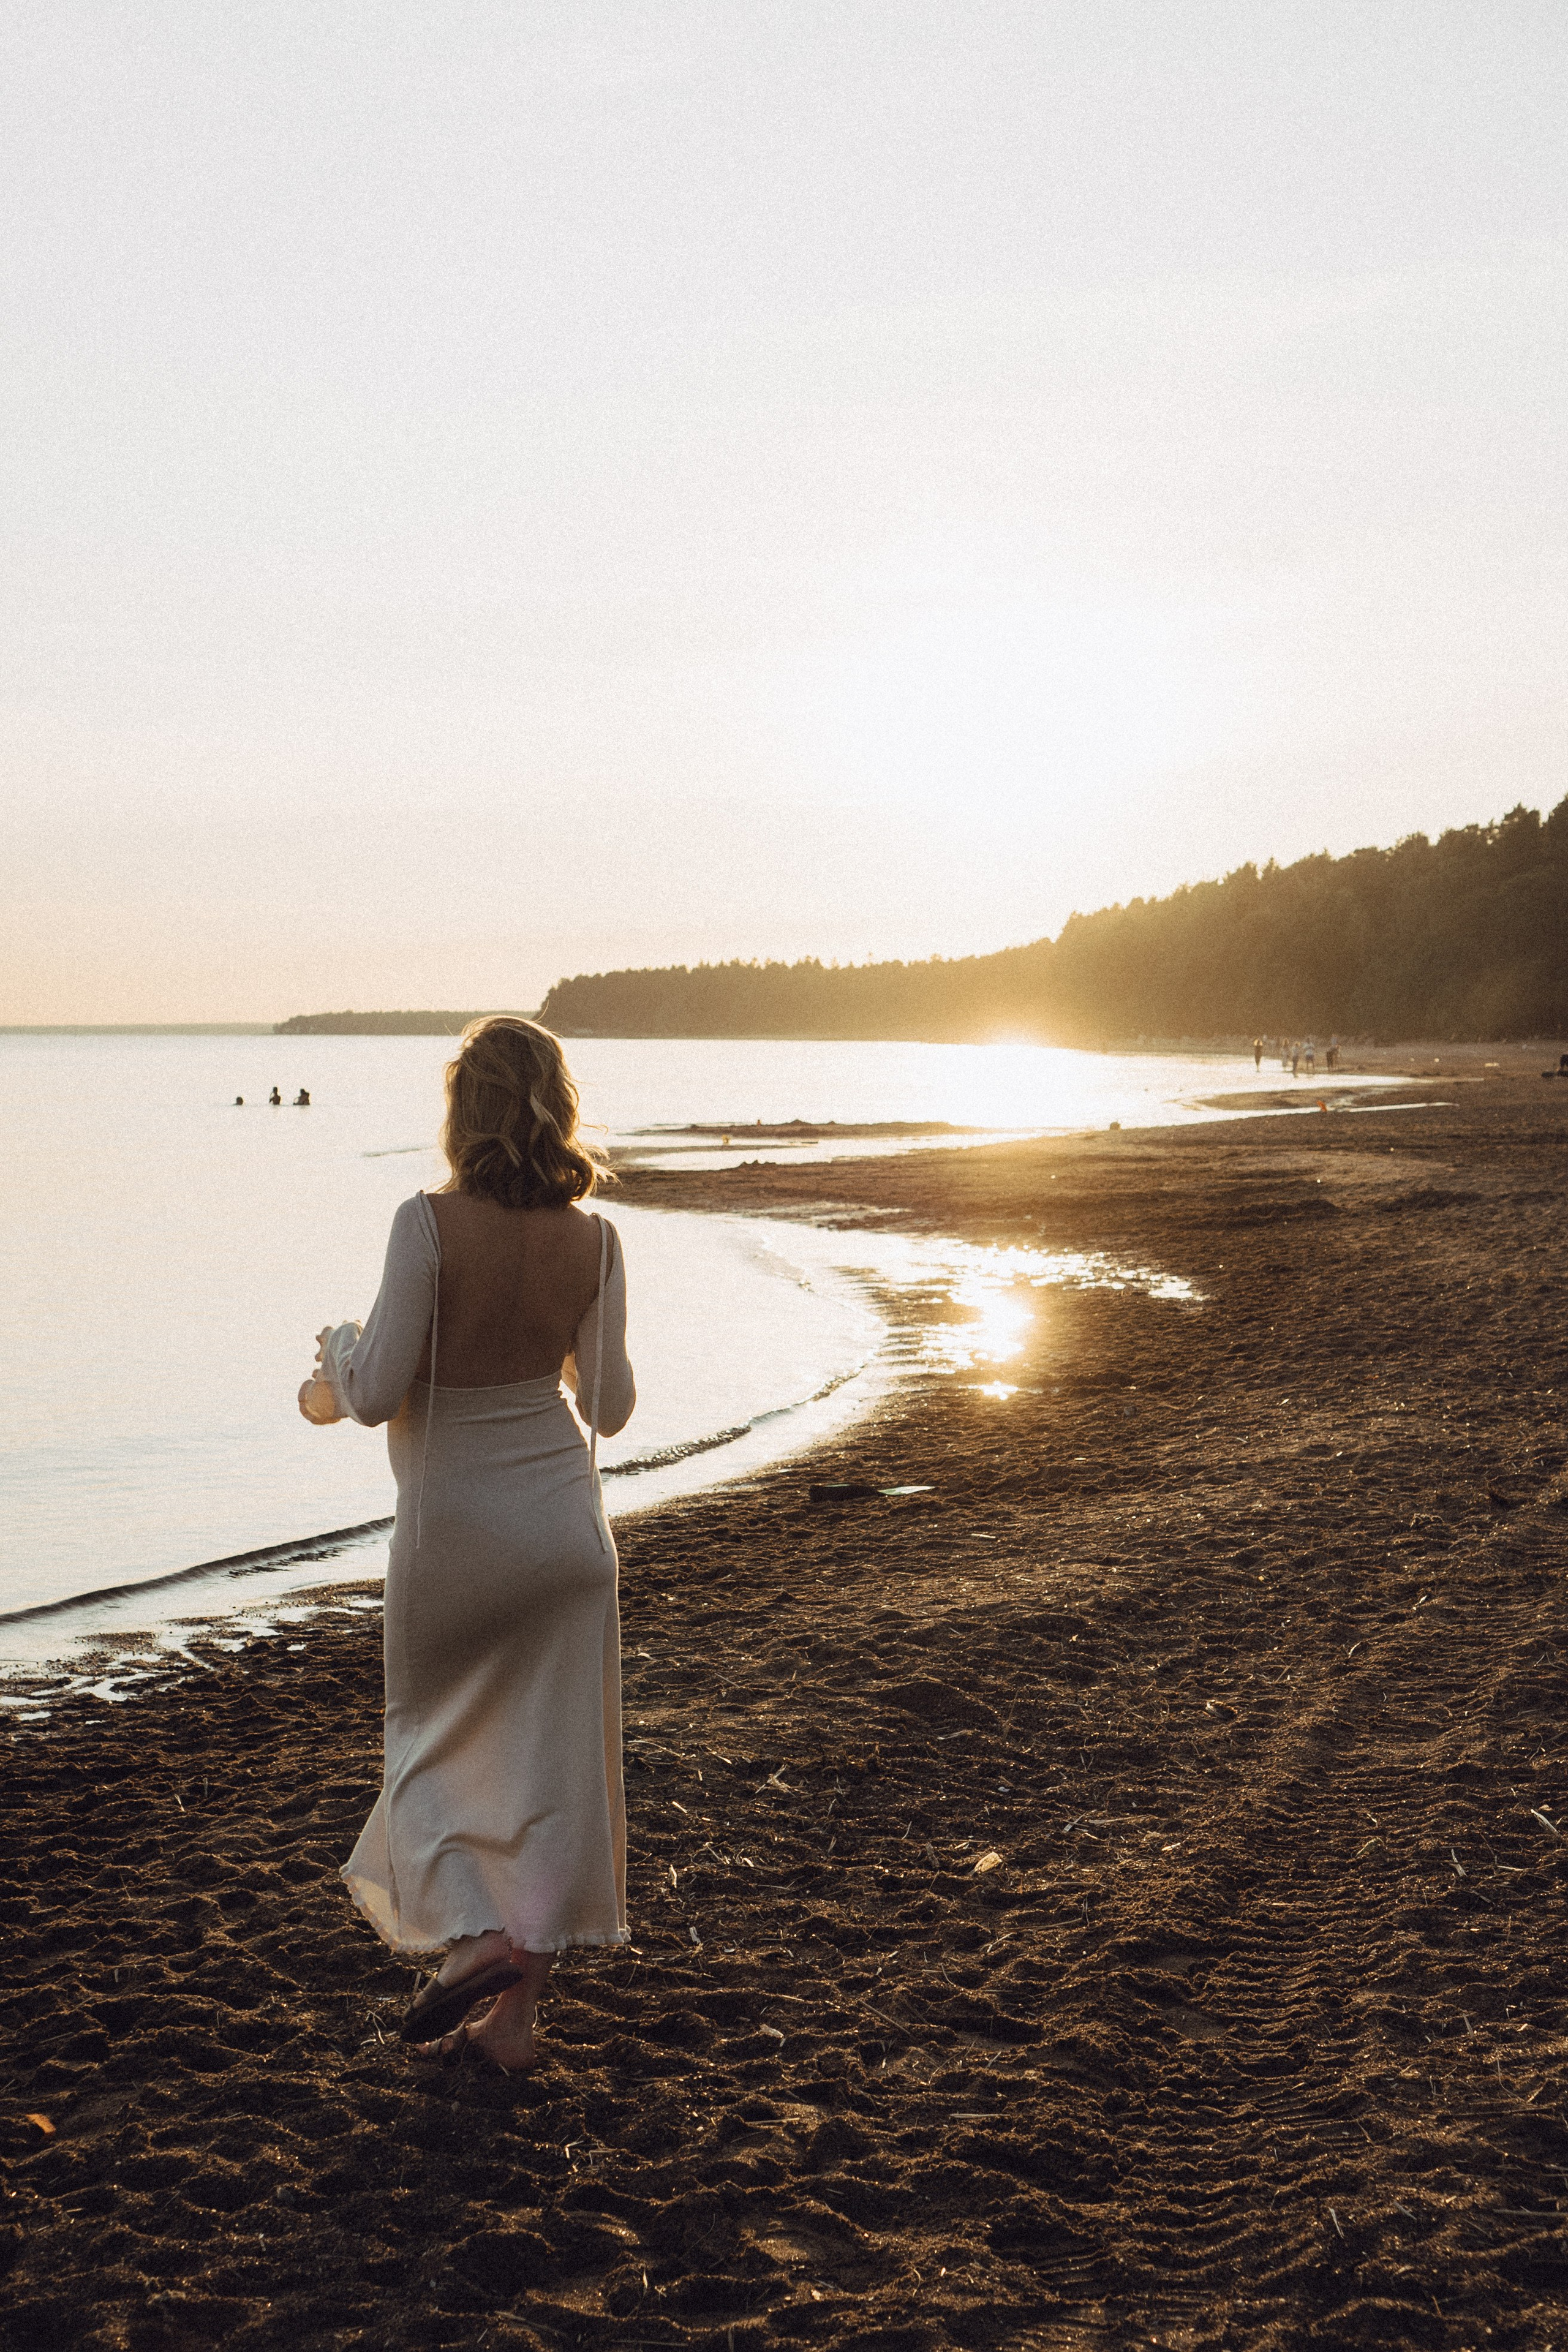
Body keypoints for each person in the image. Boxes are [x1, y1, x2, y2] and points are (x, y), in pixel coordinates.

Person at [298, 1017, 635, 2073]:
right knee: (553, 1777)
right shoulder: (599, 1239)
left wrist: (333, 1359)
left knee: (434, 1745)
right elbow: (612, 1407)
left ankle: (481, 1946)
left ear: (465, 1109)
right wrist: (556, 1342)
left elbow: (378, 1389)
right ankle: (515, 2023)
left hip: (456, 1541)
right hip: (567, 1546)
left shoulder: (427, 1223)